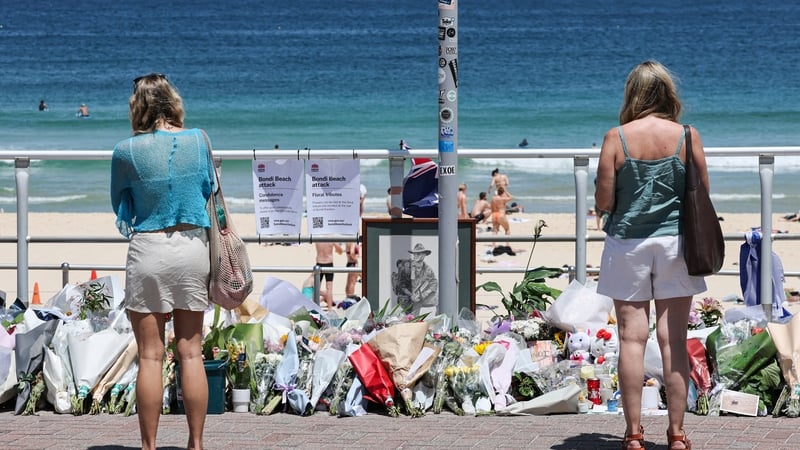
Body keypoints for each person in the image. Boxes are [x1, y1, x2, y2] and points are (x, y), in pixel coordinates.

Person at [595, 60, 705, 450]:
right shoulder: (686, 136)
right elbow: (701, 193)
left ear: (633, 93)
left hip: (628, 244)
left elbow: (604, 200)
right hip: (676, 243)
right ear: (667, 93)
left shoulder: (616, 137)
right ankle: (676, 435)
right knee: (674, 339)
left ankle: (634, 434)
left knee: (631, 340)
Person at [110, 73, 212, 450]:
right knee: (191, 352)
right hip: (191, 248)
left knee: (151, 356)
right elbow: (207, 189)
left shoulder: (125, 151)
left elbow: (120, 202)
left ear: (138, 107)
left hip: (149, 249)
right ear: (173, 101)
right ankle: (196, 443)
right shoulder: (199, 140)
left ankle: (149, 447)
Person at [314, 242, 343, 310]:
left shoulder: (318, 237)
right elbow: (340, 250)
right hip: (328, 263)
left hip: (319, 263)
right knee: (329, 288)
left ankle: (315, 306)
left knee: (317, 286)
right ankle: (329, 307)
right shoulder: (330, 238)